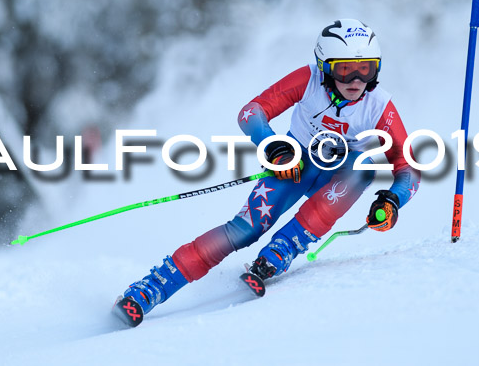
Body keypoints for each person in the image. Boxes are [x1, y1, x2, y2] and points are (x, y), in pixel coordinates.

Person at [116, 19, 420, 319]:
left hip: (336, 178)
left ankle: (284, 249)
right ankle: (152, 287)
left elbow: (408, 167)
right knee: (243, 231)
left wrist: (392, 200)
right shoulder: (308, 79)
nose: (356, 79)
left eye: (365, 68)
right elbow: (251, 112)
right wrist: (273, 146)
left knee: (364, 165)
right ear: (325, 66)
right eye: (345, 69)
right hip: (294, 166)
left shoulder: (379, 106)